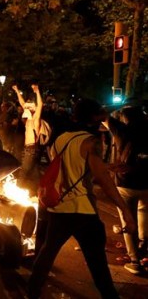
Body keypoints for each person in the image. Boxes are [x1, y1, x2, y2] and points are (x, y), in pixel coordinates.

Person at [27, 98, 137, 299]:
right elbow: (102, 180)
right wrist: (125, 210)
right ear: (94, 117)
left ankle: (31, 292)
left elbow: (69, 168)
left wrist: (105, 167)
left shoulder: (60, 139)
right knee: (97, 264)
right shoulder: (90, 142)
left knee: (47, 253)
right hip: (83, 210)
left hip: (59, 208)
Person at [104, 104, 148, 274]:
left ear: (125, 117)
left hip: (126, 183)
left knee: (128, 219)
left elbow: (102, 113)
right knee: (144, 215)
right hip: (146, 183)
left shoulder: (122, 130)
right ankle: (144, 250)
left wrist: (120, 103)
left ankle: (135, 261)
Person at [12, 84, 44, 194]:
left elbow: (40, 105)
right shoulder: (30, 120)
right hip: (32, 150)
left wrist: (37, 91)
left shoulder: (35, 119)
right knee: (35, 174)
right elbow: (22, 103)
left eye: (30, 107)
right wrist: (17, 91)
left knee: (23, 172)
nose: (27, 108)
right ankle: (39, 193)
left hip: (31, 150)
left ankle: (17, 192)